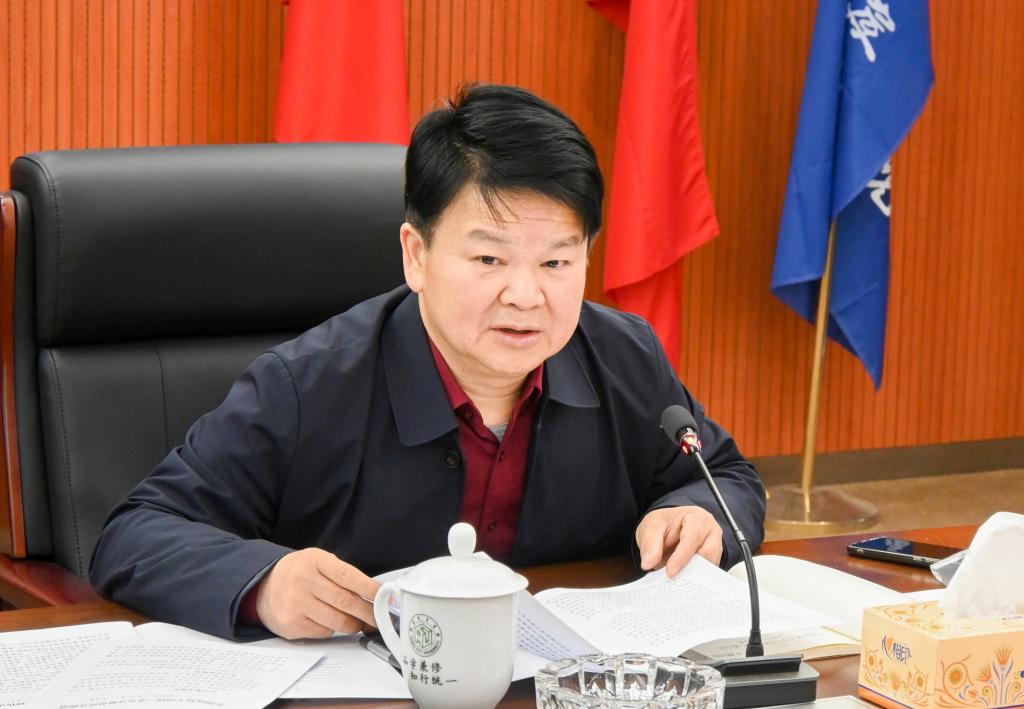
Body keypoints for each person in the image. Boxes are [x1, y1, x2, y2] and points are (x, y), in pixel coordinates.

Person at [90, 84, 765, 641]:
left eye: (557, 262)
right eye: (489, 258)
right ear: (417, 255)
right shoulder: (307, 384)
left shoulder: (625, 356)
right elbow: (135, 534)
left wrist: (699, 512)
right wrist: (263, 582)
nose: (526, 295)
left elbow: (728, 477)